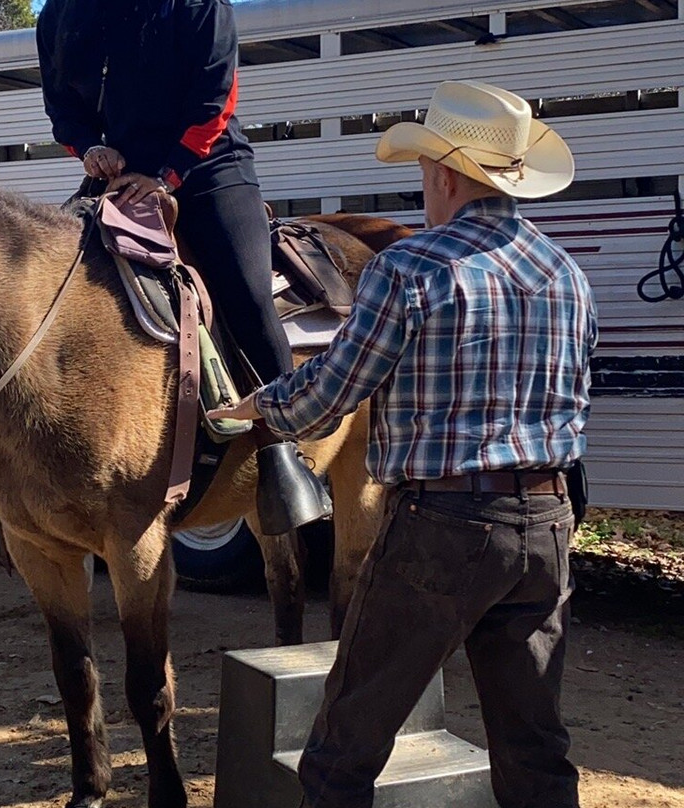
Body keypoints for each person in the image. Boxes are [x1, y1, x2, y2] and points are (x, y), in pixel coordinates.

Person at [209, 80, 597, 808]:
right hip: (547, 525)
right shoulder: (566, 274)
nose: (424, 190)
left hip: (442, 530)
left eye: (424, 174)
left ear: (446, 175)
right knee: (535, 749)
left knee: (344, 747)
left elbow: (331, 394)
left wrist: (257, 408)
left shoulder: (412, 267)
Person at [37, 0, 330, 529]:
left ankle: (282, 450)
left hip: (207, 165)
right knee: (45, 284)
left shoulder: (198, 6)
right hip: (117, 172)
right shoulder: (59, 14)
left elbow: (215, 100)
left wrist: (168, 175)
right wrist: (88, 149)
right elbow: (61, 106)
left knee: (246, 293)